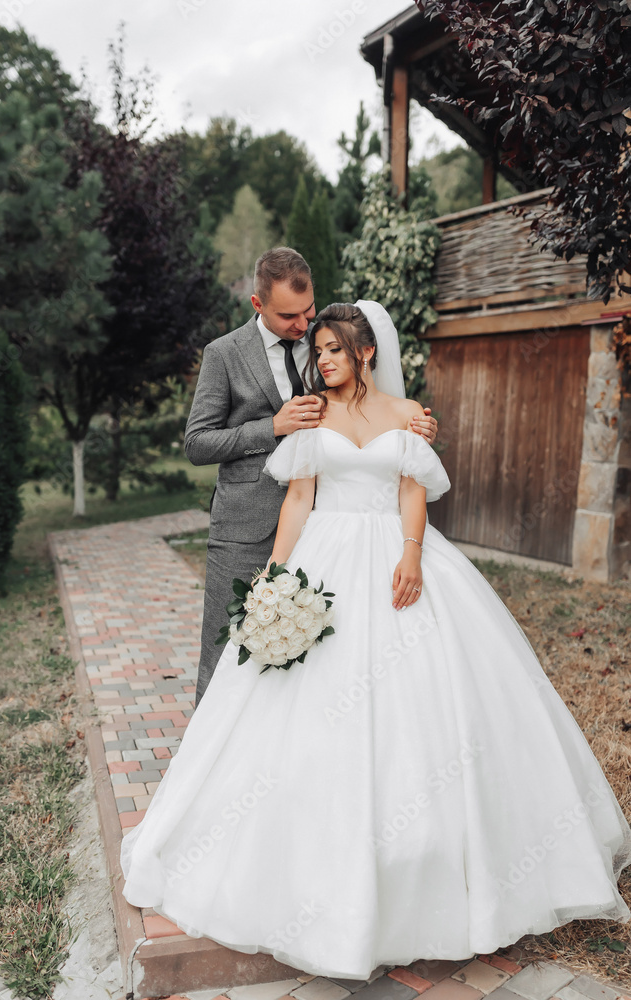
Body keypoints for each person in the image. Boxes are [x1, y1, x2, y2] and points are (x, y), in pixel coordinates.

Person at [121, 300, 631, 978]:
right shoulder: (311, 415)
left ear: (365, 351)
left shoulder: (406, 414)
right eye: (317, 350)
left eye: (334, 348)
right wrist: (276, 573)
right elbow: (299, 498)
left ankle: (444, 867)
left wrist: (412, 554)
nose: (322, 359)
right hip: (324, 558)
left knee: (427, 708)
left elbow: (412, 490)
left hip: (397, 556)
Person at [184, 247, 437, 706]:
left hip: (326, 528)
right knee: (228, 650)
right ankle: (211, 758)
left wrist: (416, 430)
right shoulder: (223, 355)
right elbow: (197, 443)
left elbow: (373, 412)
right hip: (248, 525)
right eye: (289, 317)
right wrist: (272, 427)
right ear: (258, 304)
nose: (302, 326)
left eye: (309, 311)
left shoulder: (328, 341)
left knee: (319, 654)